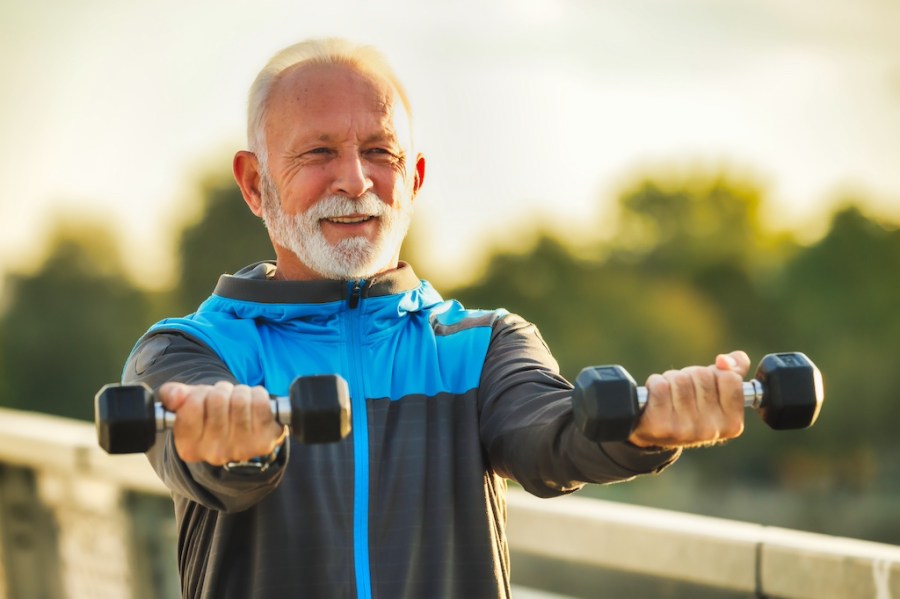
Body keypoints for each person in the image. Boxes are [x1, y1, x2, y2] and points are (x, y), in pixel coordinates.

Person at [123, 37, 749, 599]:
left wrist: (646, 425)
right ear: (255, 183)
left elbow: (554, 441)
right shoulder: (186, 352)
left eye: (380, 152)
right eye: (318, 152)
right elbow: (207, 466)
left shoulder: (486, 345)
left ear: (414, 179)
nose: (355, 179)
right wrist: (235, 444)